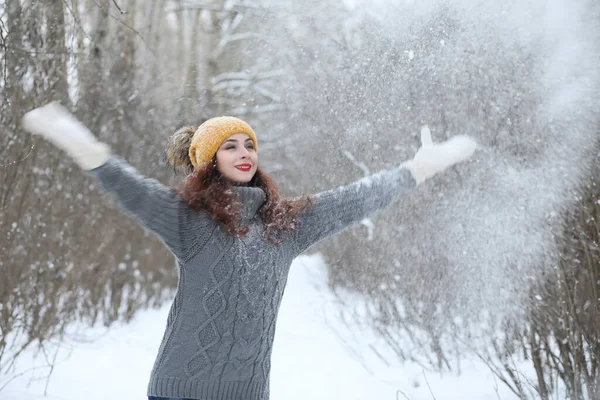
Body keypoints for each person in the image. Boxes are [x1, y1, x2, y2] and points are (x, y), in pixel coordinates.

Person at [21, 102, 476, 400]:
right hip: (179, 390)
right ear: (207, 160)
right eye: (229, 146)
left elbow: (351, 200)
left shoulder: (284, 226)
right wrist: (83, 146)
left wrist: (415, 169)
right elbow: (131, 189)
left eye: (250, 144)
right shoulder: (190, 222)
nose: (244, 153)